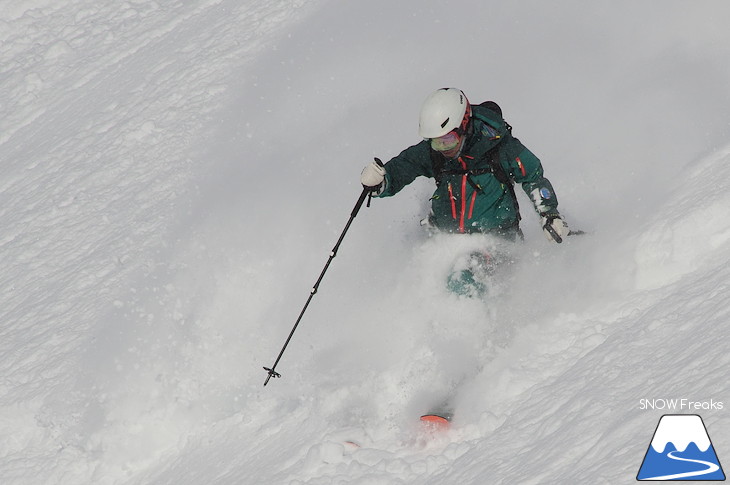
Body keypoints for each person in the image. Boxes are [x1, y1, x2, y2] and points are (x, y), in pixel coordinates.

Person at [360, 88, 570, 243]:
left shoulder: (500, 148)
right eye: (436, 141)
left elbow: (533, 177)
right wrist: (381, 181)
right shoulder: (436, 153)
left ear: (464, 125)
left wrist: (549, 214)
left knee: (464, 280)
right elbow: (406, 165)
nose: (444, 148)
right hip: (445, 241)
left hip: (497, 243)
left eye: (449, 139)